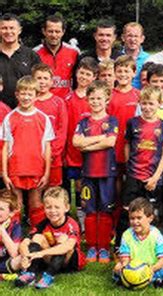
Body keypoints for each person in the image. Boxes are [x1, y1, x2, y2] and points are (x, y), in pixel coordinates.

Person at [116, 86, 163, 253]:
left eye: (151, 104)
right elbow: (127, 146)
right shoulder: (132, 123)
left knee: (152, 214)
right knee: (127, 212)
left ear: (159, 104)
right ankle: (121, 246)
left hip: (153, 179)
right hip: (134, 176)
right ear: (139, 103)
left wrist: (155, 177)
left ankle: (152, 247)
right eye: (144, 103)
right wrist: (128, 168)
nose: (147, 107)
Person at [72, 80, 117, 264]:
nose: (96, 101)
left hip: (107, 172)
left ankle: (104, 248)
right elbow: (76, 143)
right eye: (92, 98)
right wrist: (100, 139)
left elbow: (110, 142)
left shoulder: (112, 120)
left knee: (105, 210)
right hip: (88, 173)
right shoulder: (83, 122)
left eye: (99, 98)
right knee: (90, 210)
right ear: (87, 99)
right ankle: (92, 246)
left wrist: (87, 143)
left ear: (107, 99)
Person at [1, 76, 54, 228]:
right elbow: (4, 146)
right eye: (22, 94)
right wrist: (4, 172)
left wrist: (47, 173)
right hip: (16, 168)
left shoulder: (43, 118)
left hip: (36, 168)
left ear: (36, 96)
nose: (26, 97)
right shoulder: (10, 118)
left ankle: (35, 232)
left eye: (29, 94)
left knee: (36, 203)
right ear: (17, 95)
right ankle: (14, 235)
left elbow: (47, 146)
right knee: (16, 204)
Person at [15, 187, 85, 289]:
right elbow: (24, 243)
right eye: (48, 207)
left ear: (66, 208)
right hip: (50, 260)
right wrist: (26, 256)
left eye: (57, 207)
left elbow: (68, 247)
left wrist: (41, 253)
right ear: (44, 208)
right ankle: (30, 273)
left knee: (64, 239)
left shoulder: (72, 224)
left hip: (68, 263)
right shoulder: (43, 223)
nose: (52, 211)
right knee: (37, 237)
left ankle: (48, 276)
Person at [113, 197, 163, 288]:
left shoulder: (157, 235)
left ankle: (129, 281)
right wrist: (128, 270)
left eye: (139, 218)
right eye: (132, 218)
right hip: (133, 268)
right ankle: (154, 281)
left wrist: (150, 270)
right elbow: (125, 259)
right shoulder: (126, 235)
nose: (135, 222)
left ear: (150, 218)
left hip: (152, 267)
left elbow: (162, 260)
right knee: (117, 268)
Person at [65, 57, 97, 219]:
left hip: (90, 151)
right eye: (81, 73)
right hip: (71, 152)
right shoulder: (68, 98)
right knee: (75, 184)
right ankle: (76, 216)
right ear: (76, 73)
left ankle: (87, 217)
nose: (84, 77)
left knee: (86, 185)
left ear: (94, 77)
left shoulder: (95, 100)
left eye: (88, 74)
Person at [32, 64, 68, 188]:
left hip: (53, 157)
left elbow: (62, 130)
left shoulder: (58, 102)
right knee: (36, 191)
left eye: (45, 78)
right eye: (39, 78)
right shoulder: (29, 102)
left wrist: (53, 152)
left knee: (53, 190)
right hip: (34, 156)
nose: (42, 82)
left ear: (52, 81)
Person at [0, 13, 40, 108]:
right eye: (4, 28)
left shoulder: (31, 55)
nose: (8, 31)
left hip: (25, 110)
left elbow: (39, 85)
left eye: (12, 28)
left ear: (19, 30)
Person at [34, 15, 79, 99]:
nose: (54, 35)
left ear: (63, 32)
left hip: (66, 103)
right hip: (43, 103)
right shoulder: (35, 53)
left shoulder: (74, 52)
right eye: (50, 31)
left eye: (57, 31)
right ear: (44, 31)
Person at [120, 22, 149, 89]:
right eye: (129, 36)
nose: (133, 39)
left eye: (136, 36)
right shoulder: (117, 58)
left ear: (142, 39)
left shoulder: (149, 59)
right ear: (123, 37)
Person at [0, 189, 23, 275]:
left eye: (1, 209)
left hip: (6, 262)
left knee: (20, 259)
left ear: (11, 213)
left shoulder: (15, 226)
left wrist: (2, 230)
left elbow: (14, 253)